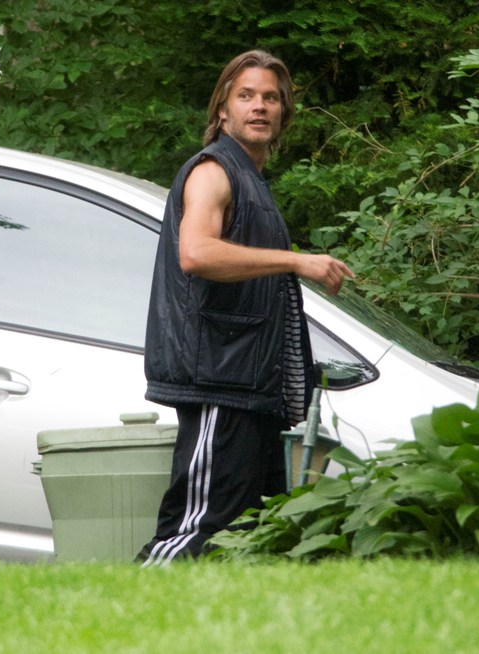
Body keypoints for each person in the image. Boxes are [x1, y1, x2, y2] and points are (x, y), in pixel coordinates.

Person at [137, 50, 354, 565]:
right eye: (246, 96)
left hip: (253, 389)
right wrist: (296, 261)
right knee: (197, 531)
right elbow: (196, 253)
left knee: (247, 539)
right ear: (222, 110)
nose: (260, 106)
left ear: (283, 113)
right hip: (219, 382)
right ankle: (130, 607)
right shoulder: (214, 171)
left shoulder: (252, 181)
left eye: (270, 98)